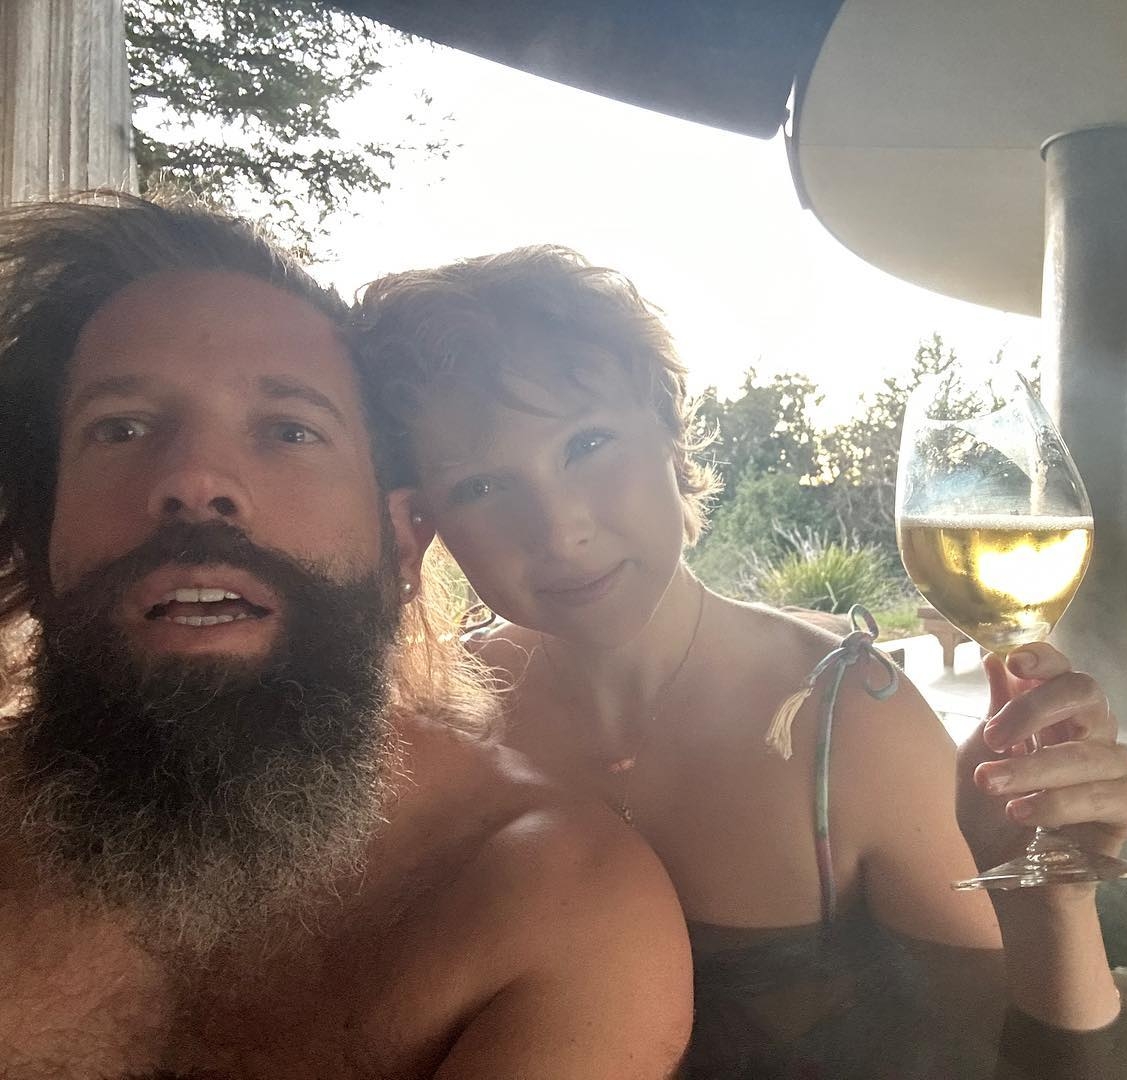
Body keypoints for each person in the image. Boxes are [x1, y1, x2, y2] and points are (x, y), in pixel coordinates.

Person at [354, 245, 1127, 1078]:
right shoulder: (429, 727)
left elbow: (1013, 1055)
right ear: (423, 521)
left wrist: (1050, 905)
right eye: (482, 487)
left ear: (670, 435)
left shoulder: (850, 725)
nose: (559, 530)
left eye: (588, 443)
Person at [0, 197, 692, 1079]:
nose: (195, 481)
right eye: (122, 428)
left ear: (400, 542)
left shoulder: (547, 896)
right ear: (42, 532)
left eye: (290, 430)